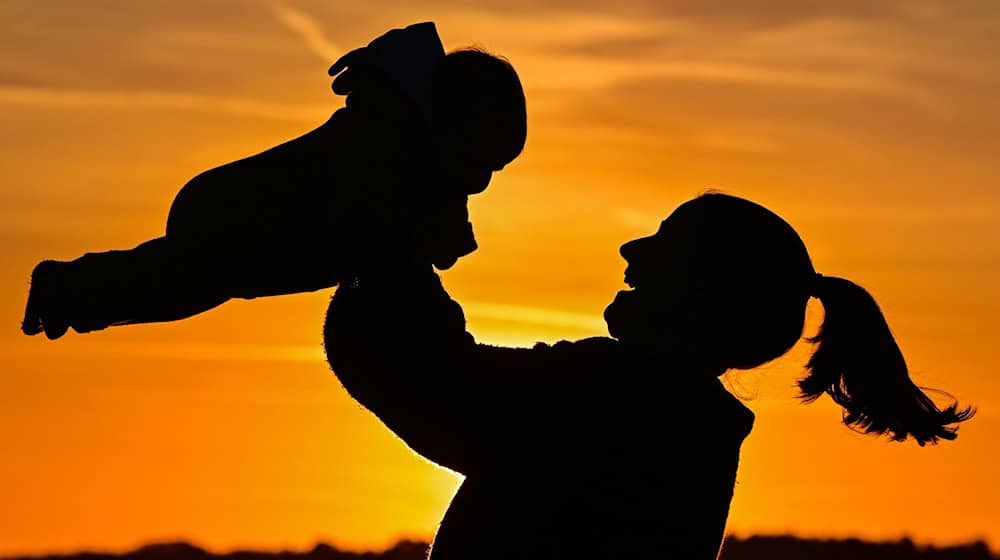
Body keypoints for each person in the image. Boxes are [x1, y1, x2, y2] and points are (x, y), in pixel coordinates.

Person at [323, 193, 974, 559]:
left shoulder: (620, 399)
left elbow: (426, 382)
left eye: (667, 242)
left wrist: (394, 252)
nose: (632, 251)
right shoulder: (684, 424)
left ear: (705, 294)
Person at [21, 22, 527, 339]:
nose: (480, 183)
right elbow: (397, 227)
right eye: (482, 161)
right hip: (237, 212)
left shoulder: (416, 160)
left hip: (254, 229)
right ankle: (66, 287)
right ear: (453, 125)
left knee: (181, 291)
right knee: (178, 284)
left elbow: (417, 233)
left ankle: (73, 293)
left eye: (494, 172)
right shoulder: (384, 142)